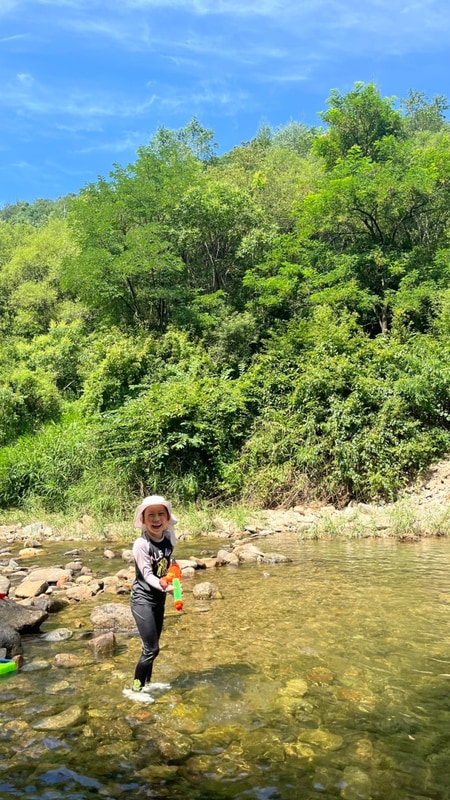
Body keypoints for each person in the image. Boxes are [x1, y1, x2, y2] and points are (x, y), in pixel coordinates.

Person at [130, 494, 178, 692]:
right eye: (150, 515)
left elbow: (168, 563)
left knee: (151, 647)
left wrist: (174, 572)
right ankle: (135, 690)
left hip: (159, 600)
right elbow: (148, 575)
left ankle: (146, 685)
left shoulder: (168, 539)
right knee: (152, 649)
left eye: (160, 514)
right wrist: (164, 586)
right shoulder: (141, 545)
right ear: (142, 519)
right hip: (142, 600)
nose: (156, 519)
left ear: (167, 518)